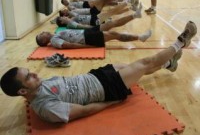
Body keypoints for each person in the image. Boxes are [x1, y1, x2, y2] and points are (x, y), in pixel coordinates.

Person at [0, 21, 197, 123]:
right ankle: (182, 41)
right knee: (145, 63)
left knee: (138, 68)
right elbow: (84, 111)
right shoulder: (45, 108)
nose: (34, 73)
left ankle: (168, 65)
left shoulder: (37, 88)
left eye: (29, 72)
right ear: (22, 92)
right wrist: (111, 101)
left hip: (96, 75)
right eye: (28, 77)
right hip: (105, 88)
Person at [56, 5, 143, 30]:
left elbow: (72, 13)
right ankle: (132, 9)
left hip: (93, 18)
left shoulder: (71, 19)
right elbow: (82, 26)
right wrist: (95, 28)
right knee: (113, 15)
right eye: (62, 18)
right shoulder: (70, 24)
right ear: (62, 22)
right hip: (94, 22)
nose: (64, 17)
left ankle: (132, 9)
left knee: (112, 13)